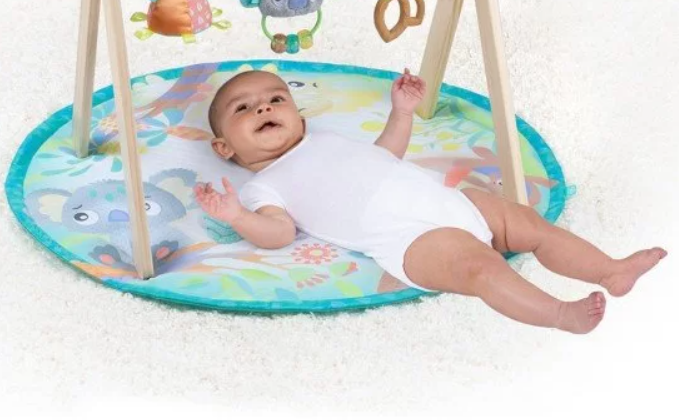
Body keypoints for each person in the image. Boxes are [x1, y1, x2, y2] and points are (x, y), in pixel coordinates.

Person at [198, 68, 667, 334]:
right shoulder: (265, 184)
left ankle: (609, 270)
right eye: (244, 108)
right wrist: (237, 216)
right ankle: (559, 314)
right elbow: (278, 232)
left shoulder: (326, 138)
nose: (264, 107)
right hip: (409, 239)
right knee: (481, 268)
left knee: (530, 225)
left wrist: (401, 112)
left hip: (452, 203)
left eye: (276, 99)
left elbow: (385, 155)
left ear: (299, 116)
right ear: (224, 148)